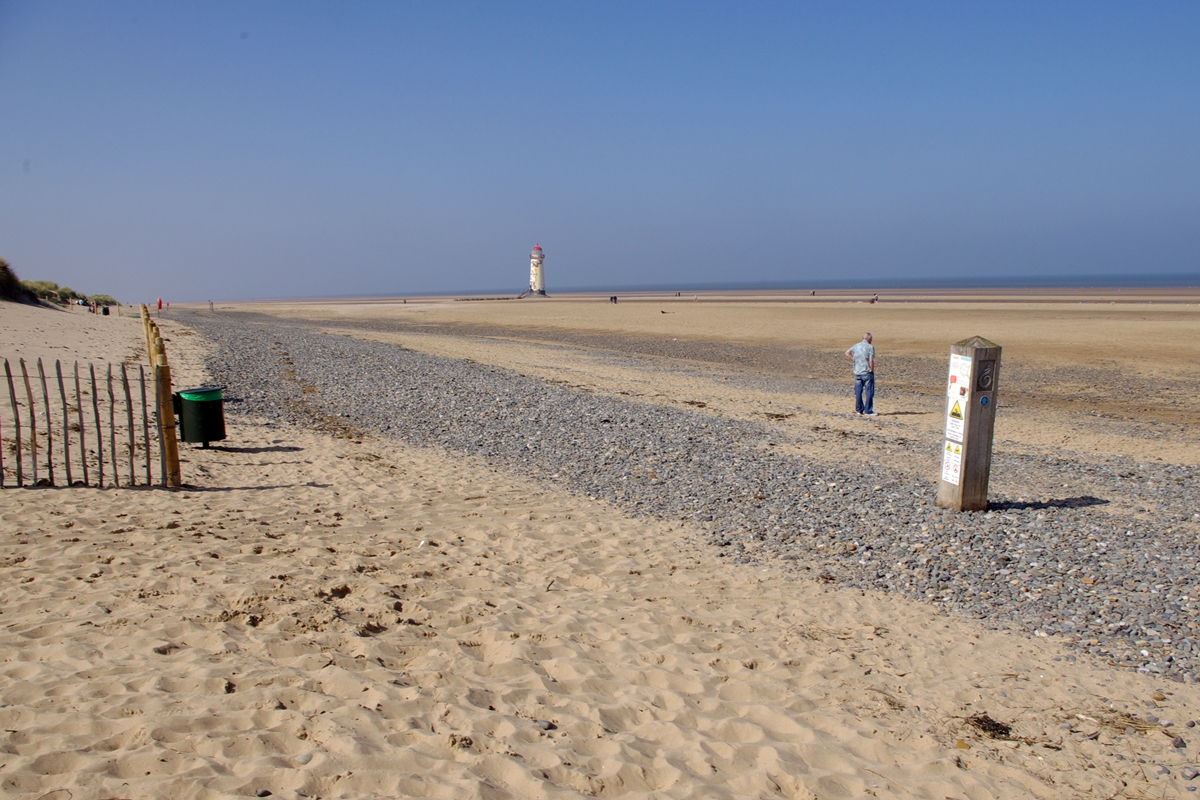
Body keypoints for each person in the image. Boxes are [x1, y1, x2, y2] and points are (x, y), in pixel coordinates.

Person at [845, 332, 876, 416]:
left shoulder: (856, 346)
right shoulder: (870, 347)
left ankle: (859, 409)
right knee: (869, 392)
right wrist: (872, 370)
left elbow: (847, 352)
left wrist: (855, 360)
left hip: (857, 372)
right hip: (866, 372)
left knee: (858, 392)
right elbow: (871, 360)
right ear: (869, 339)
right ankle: (868, 410)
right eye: (871, 338)